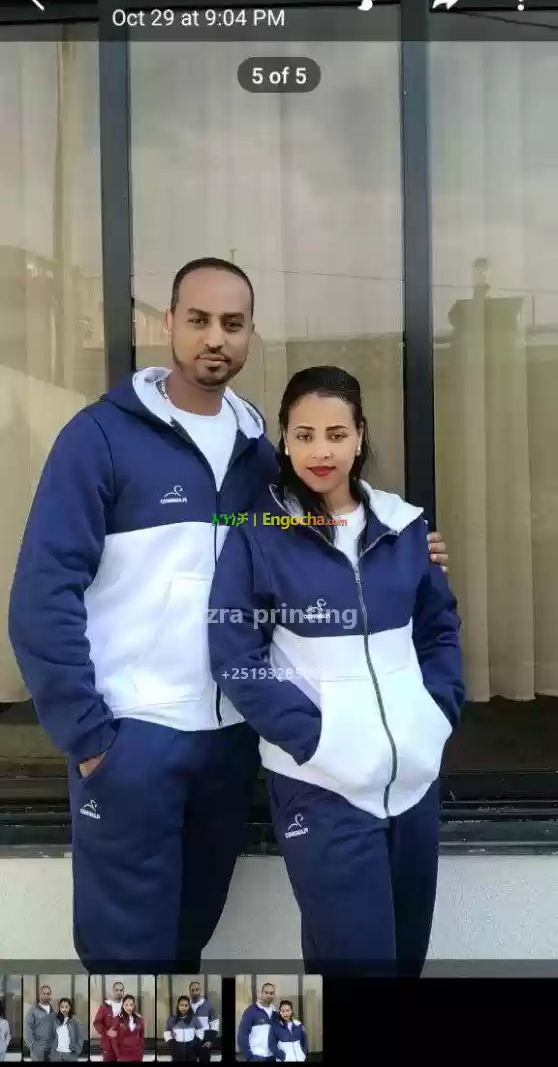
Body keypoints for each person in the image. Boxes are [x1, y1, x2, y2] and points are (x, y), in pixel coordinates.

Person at [8, 258, 449, 969]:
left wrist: (405, 548)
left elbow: (320, 544)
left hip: (232, 742)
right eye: (199, 320)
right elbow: (42, 596)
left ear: (250, 335)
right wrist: (90, 737)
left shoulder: (261, 456)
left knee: (188, 938)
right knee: (125, 961)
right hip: (133, 737)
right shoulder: (100, 440)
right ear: (168, 324)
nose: (215, 338)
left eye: (232, 324)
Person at [209, 366, 465, 977]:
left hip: (412, 782)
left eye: (336, 433)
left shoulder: (404, 527)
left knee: (405, 959)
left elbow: (439, 630)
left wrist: (435, 714)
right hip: (320, 788)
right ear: (285, 440)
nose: (320, 451)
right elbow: (235, 659)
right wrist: (320, 739)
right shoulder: (258, 535)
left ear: (360, 435)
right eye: (304, 435)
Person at [237, 983, 277, 1062]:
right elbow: (242, 1034)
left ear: (274, 995)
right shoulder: (251, 1011)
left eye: (271, 993)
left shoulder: (275, 1013)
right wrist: (248, 1056)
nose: (268, 995)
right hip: (256, 1057)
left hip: (272, 1057)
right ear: (261, 993)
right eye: (266, 992)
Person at [163, 995, 203, 1062]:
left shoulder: (194, 1019)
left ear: (189, 1006)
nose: (183, 1007)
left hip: (191, 1049)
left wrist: (196, 1041)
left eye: (186, 1005)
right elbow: (167, 1032)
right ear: (178, 1006)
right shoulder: (172, 1019)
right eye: (181, 1005)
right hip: (177, 1049)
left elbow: (200, 1031)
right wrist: (171, 1041)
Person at [188, 980, 219, 1063]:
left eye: (197, 989)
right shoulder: (186, 1006)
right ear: (189, 992)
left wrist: (210, 1040)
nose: (195, 992)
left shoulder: (208, 1005)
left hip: (204, 1043)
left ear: (200, 990)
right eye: (192, 990)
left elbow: (215, 1024)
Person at [93, 981, 125, 1062]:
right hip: (108, 1047)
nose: (119, 992)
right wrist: (106, 1032)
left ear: (123, 992)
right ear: (113, 991)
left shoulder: (126, 1007)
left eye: (121, 990)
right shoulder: (105, 1007)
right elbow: (97, 1023)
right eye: (116, 990)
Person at [108, 995, 145, 1062]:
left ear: (134, 1006)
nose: (129, 1007)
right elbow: (113, 1040)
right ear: (123, 1006)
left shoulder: (139, 1019)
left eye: (131, 1005)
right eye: (126, 1005)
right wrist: (118, 1055)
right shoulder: (117, 1019)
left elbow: (141, 1036)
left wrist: (141, 1052)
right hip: (123, 1055)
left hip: (137, 1055)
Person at [24, 984, 56, 1061]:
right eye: (44, 993)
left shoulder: (53, 1012)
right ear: (40, 995)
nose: (46, 995)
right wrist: (32, 1046)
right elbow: (27, 1029)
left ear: (50, 995)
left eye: (48, 994)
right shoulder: (33, 1010)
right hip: (38, 1051)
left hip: (51, 1050)